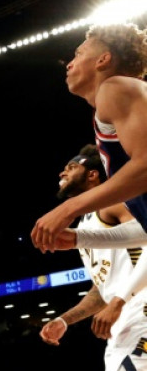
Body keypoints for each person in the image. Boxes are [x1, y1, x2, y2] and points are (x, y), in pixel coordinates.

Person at [38, 145, 147, 371]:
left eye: (68, 167)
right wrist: (65, 320)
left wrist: (120, 301)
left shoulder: (115, 203)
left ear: (92, 173)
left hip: (139, 309)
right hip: (122, 320)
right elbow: (102, 288)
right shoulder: (89, 221)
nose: (61, 173)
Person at [30, 23, 147, 338]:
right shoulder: (115, 106)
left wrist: (69, 208)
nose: (69, 62)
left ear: (103, 59)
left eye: (78, 53)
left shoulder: (116, 88)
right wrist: (84, 238)